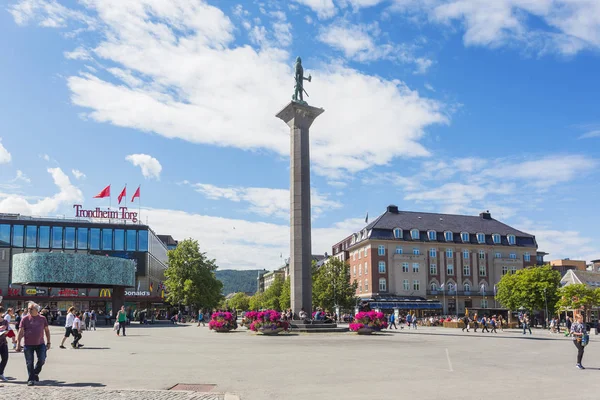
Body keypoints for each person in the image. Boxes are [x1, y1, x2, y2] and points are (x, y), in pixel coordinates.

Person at [16, 302, 51, 386]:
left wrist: (49, 342)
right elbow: (20, 332)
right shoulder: (25, 319)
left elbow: (47, 330)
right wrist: (18, 344)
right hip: (28, 344)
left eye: (31, 309)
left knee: (42, 359)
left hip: (40, 344)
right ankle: (31, 379)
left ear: (36, 310)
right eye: (28, 309)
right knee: (29, 362)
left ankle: (35, 373)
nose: (29, 310)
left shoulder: (42, 318)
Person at [0, 308, 9, 381]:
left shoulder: (5, 321)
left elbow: (7, 330)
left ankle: (0, 373)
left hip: (3, 342)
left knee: (5, 358)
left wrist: (6, 332)